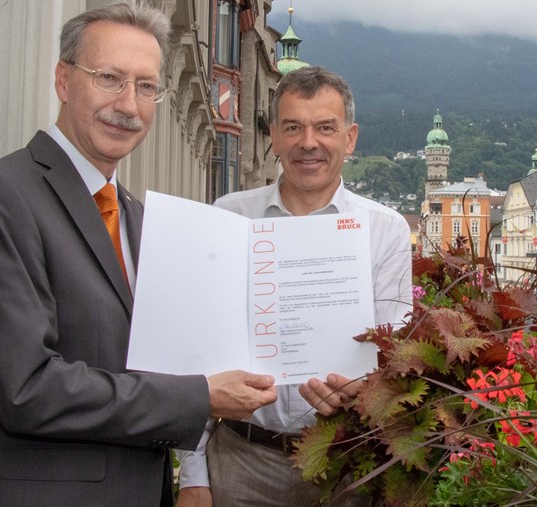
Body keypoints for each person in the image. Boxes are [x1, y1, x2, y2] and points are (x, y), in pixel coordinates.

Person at [0, 2, 278, 507]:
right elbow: (25, 388)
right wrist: (200, 396)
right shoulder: (1, 195)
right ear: (62, 79)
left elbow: (153, 359)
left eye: (147, 87)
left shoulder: (138, 217)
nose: (129, 105)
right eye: (109, 78)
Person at [175, 66, 413, 506]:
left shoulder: (385, 229)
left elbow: (395, 356)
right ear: (274, 136)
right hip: (241, 462)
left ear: (350, 137)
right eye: (293, 127)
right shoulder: (228, 217)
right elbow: (198, 354)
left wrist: (362, 391)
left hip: (341, 464)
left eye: (325, 127)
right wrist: (192, 477)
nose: (308, 143)